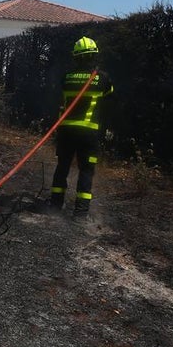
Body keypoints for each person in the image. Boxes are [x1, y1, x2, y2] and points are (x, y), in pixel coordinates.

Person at [48, 36, 114, 218]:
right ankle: (80, 212)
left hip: (66, 131)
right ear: (94, 56)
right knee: (86, 170)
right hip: (89, 133)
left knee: (62, 167)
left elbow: (58, 98)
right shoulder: (102, 78)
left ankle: (54, 205)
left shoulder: (66, 78)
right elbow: (110, 97)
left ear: (75, 57)